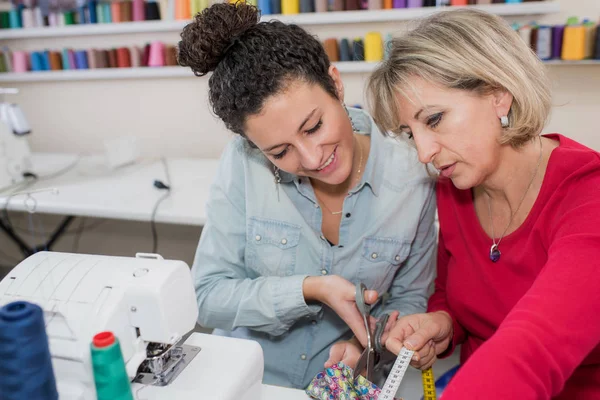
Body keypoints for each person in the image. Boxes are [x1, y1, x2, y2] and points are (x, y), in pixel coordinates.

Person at [177, 1, 437, 390]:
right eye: (280, 153)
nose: (313, 159)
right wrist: (308, 289)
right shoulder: (243, 163)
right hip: (248, 380)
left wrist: (367, 345)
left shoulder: (413, 171)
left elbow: (409, 299)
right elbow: (207, 295)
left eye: (314, 126)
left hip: (349, 384)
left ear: (335, 83)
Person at [363, 8, 600, 399]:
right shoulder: (455, 186)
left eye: (434, 119)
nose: (423, 152)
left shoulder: (587, 196)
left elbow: (532, 350)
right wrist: (441, 324)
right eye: (410, 133)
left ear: (498, 96)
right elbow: (450, 293)